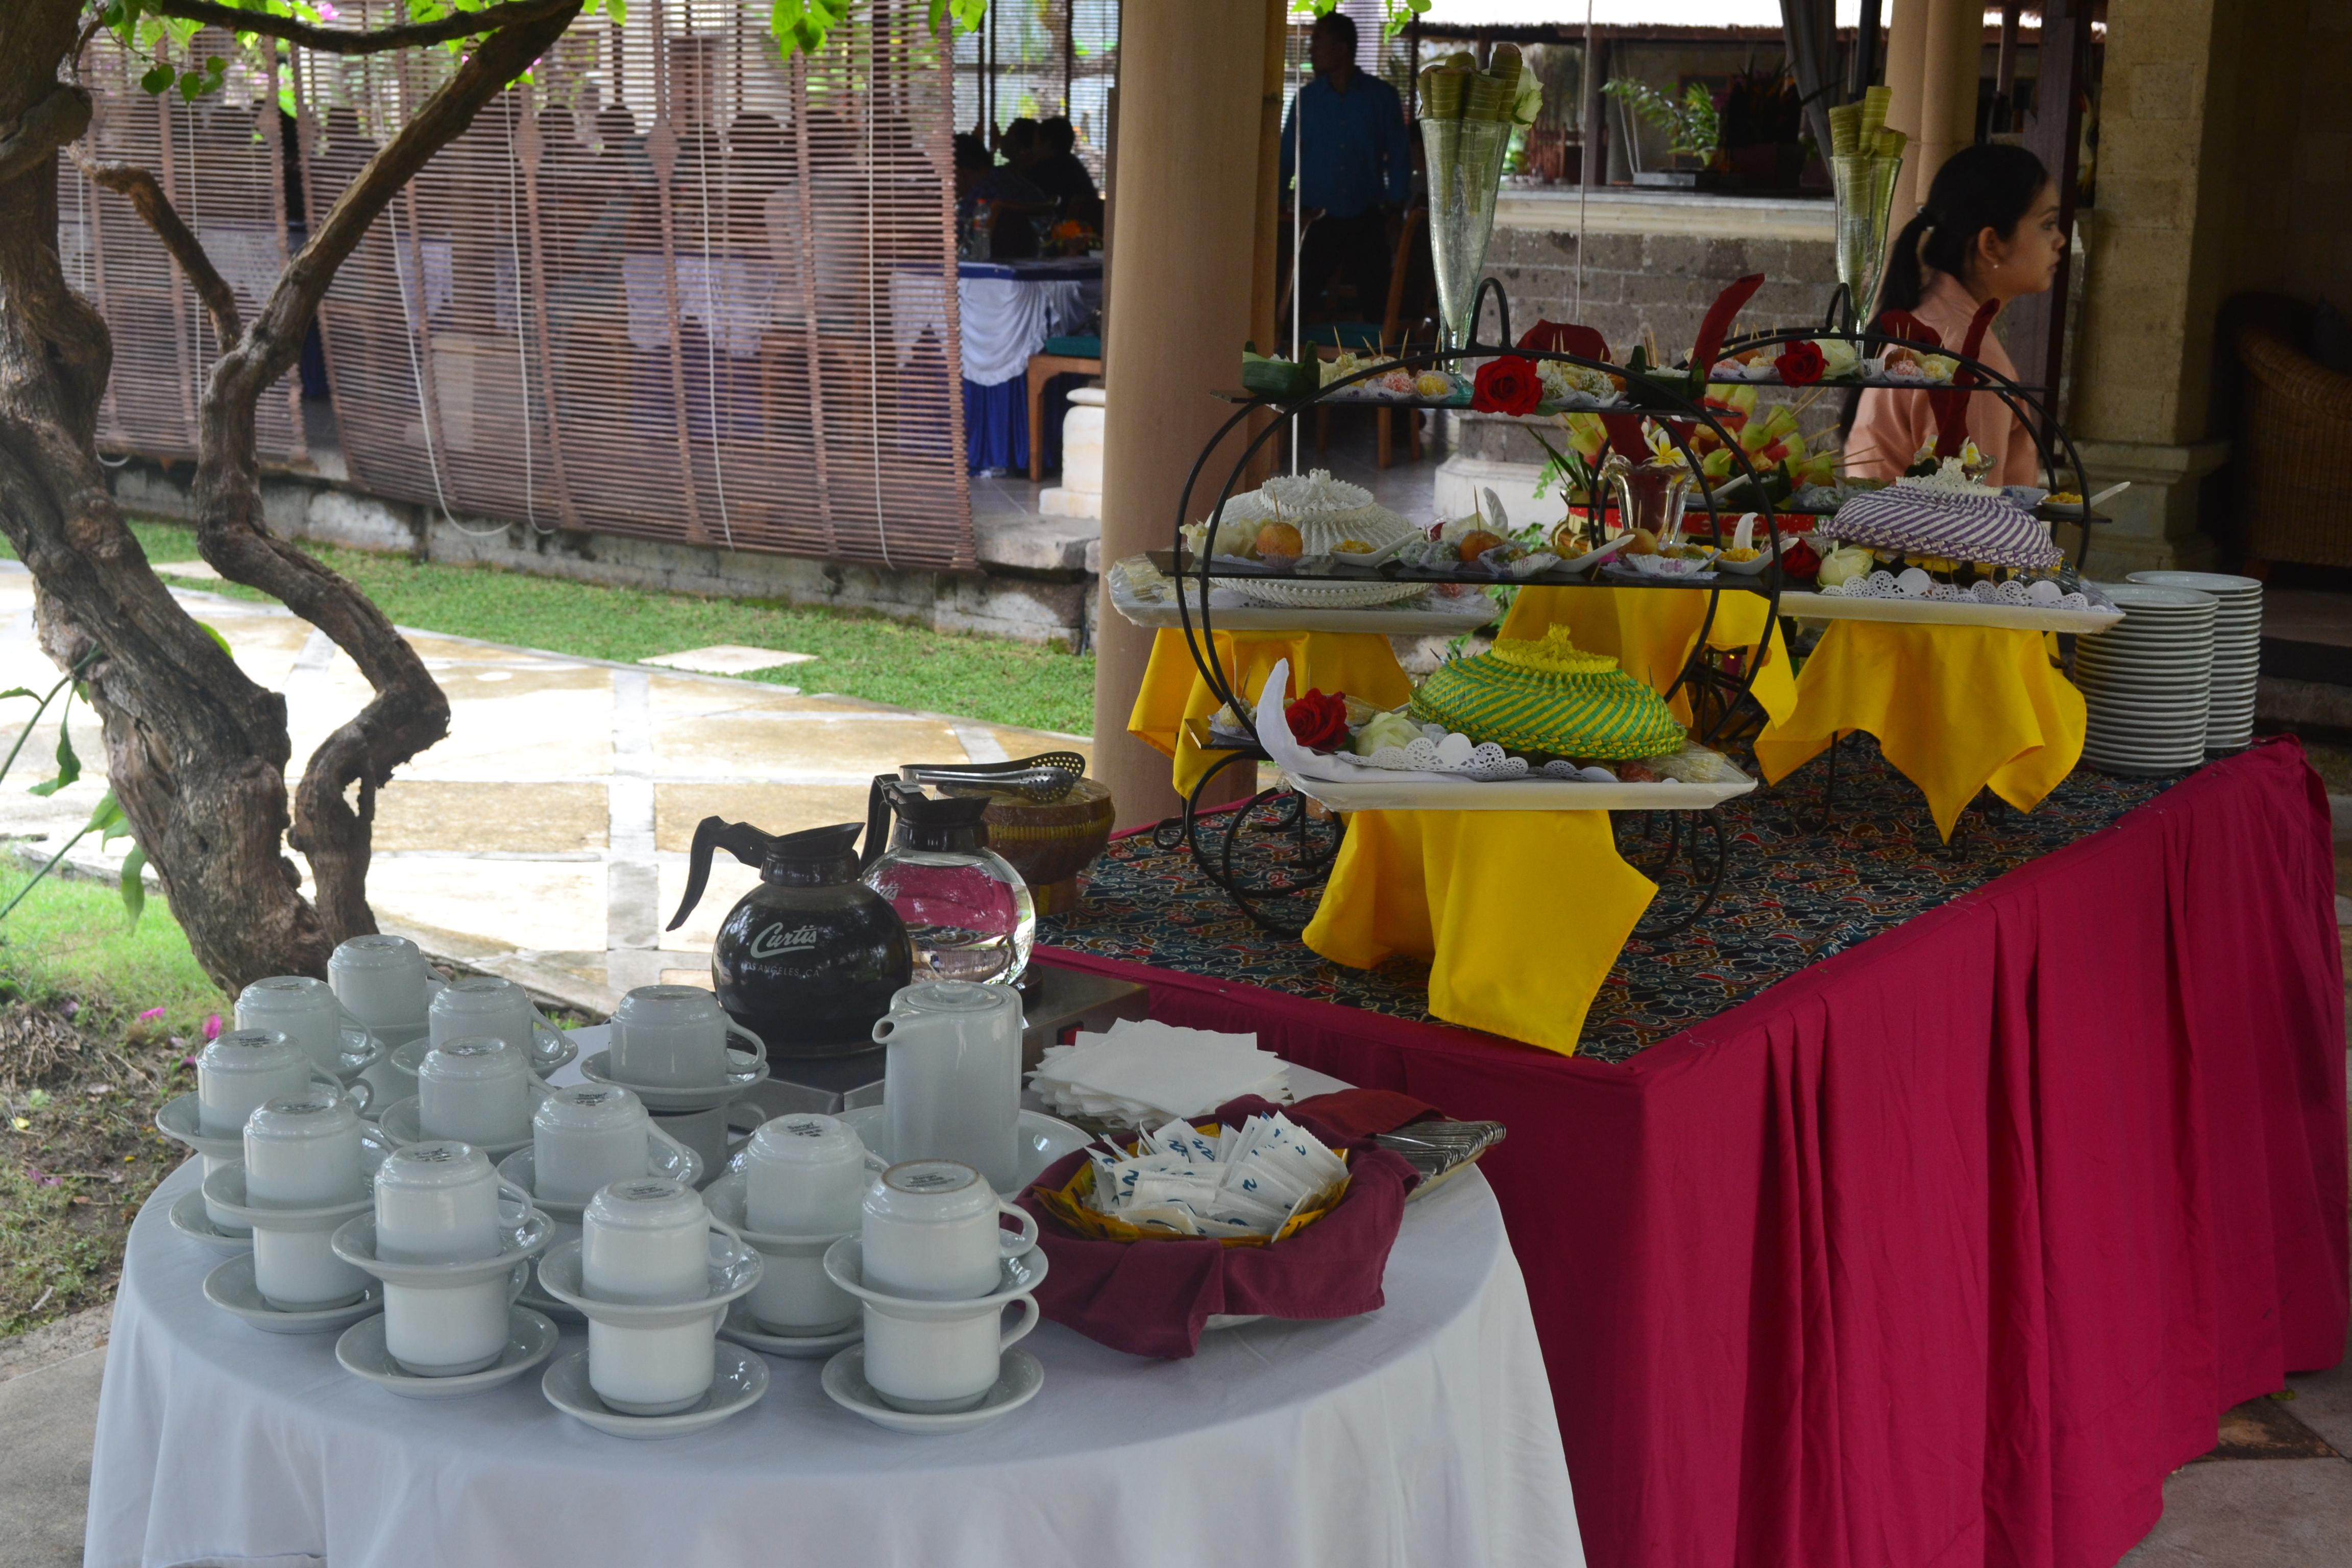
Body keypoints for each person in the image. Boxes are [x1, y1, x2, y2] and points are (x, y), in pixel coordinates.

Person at [1845, 142, 2066, 487]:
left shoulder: (1940, 325)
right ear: (1990, 244)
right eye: (2048, 224)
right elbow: (1970, 521)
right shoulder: (1963, 353)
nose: (2060, 240)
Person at [1279, 10, 1410, 323]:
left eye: (1317, 42)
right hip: (1316, 221)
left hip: (1367, 219)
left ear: (1342, 49)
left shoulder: (1381, 98)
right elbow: (1286, 159)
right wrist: (1279, 212)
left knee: (1381, 309)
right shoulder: (1306, 101)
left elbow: (1400, 156)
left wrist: (1395, 210)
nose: (1310, 50)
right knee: (1294, 310)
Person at [954, 131, 1049, 259]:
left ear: (958, 171)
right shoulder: (1015, 181)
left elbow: (954, 240)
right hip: (1040, 263)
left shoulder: (981, 195)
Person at [1027, 115, 1102, 230]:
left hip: (1063, 237)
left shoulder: (1047, 170)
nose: (1032, 149)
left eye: (1035, 143)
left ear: (1047, 144)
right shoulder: (1071, 164)